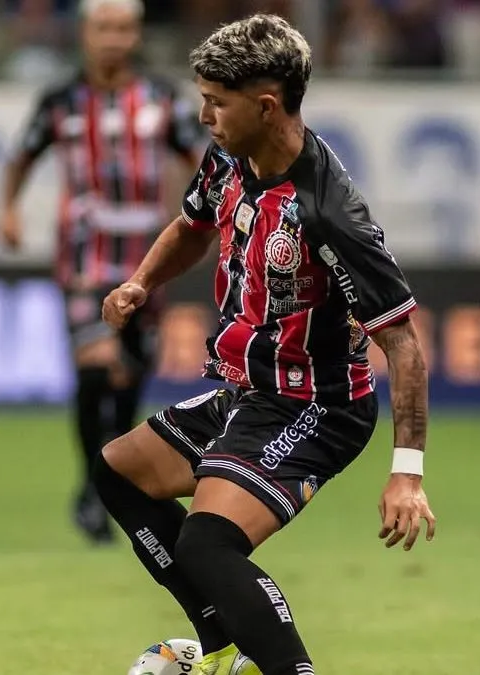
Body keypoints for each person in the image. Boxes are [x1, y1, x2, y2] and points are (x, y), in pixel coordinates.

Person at [94, 14, 436, 675]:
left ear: (267, 105)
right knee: (118, 472)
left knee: (208, 545)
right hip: (248, 392)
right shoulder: (230, 155)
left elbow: (404, 345)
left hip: (315, 406)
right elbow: (192, 224)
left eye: (216, 102)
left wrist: (407, 473)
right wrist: (142, 282)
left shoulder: (329, 213)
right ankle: (224, 648)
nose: (204, 116)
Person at [0, 0, 205, 544]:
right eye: (103, 28)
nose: (113, 38)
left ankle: (108, 473)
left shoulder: (163, 98)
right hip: (84, 257)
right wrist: (9, 209)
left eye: (123, 29)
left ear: (136, 35)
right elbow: (22, 156)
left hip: (147, 261)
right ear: (85, 34)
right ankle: (94, 487)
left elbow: (205, 159)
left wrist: (211, 215)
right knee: (96, 367)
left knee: (130, 375)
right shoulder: (61, 100)